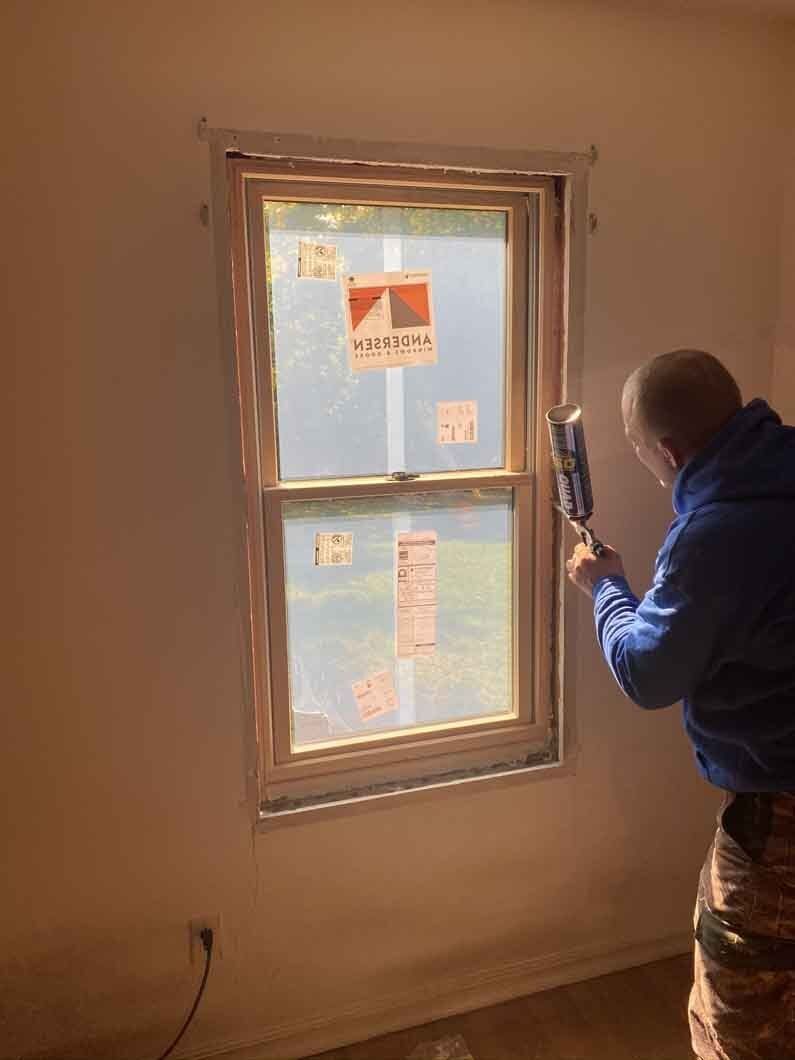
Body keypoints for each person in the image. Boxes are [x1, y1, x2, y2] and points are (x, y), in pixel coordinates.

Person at [566, 350, 795, 1060]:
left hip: (781, 813)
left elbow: (647, 671)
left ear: (665, 450)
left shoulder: (715, 535)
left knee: (740, 1011)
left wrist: (606, 587)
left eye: (641, 454)